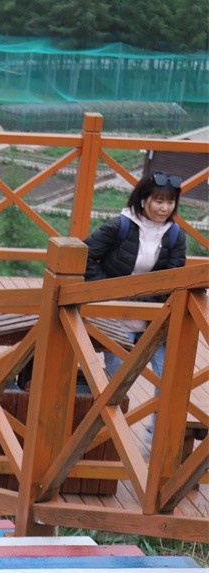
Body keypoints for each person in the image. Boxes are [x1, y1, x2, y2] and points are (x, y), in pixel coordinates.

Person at [84, 171, 187, 441]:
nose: (165, 208)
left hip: (156, 320)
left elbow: (174, 278)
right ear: (143, 200)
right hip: (118, 319)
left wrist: (143, 300)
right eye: (158, 201)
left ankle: (158, 437)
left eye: (170, 202)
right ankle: (106, 438)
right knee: (116, 383)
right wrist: (112, 292)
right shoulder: (120, 226)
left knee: (169, 378)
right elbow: (83, 255)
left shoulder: (175, 235)